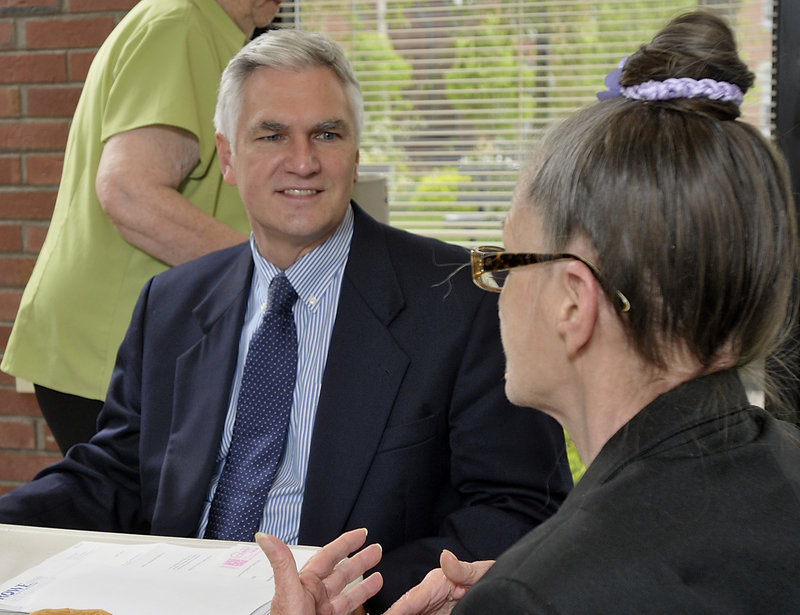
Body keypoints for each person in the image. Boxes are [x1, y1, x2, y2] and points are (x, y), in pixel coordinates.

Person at [0, 28, 572, 612]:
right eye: (272, 134)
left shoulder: (459, 301)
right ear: (227, 156)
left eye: (326, 133)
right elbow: (114, 475)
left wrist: (347, 591)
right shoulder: (169, 303)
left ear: (355, 151)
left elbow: (520, 508)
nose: (302, 161)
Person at [260, 11, 800, 614]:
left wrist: (532, 589)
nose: (494, 289)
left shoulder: (542, 591)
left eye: (506, 259)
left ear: (573, 301)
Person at [0, 0, 284, 455]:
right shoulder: (181, 26)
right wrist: (271, 275)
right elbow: (130, 193)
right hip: (113, 352)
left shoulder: (204, 29)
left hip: (132, 345)